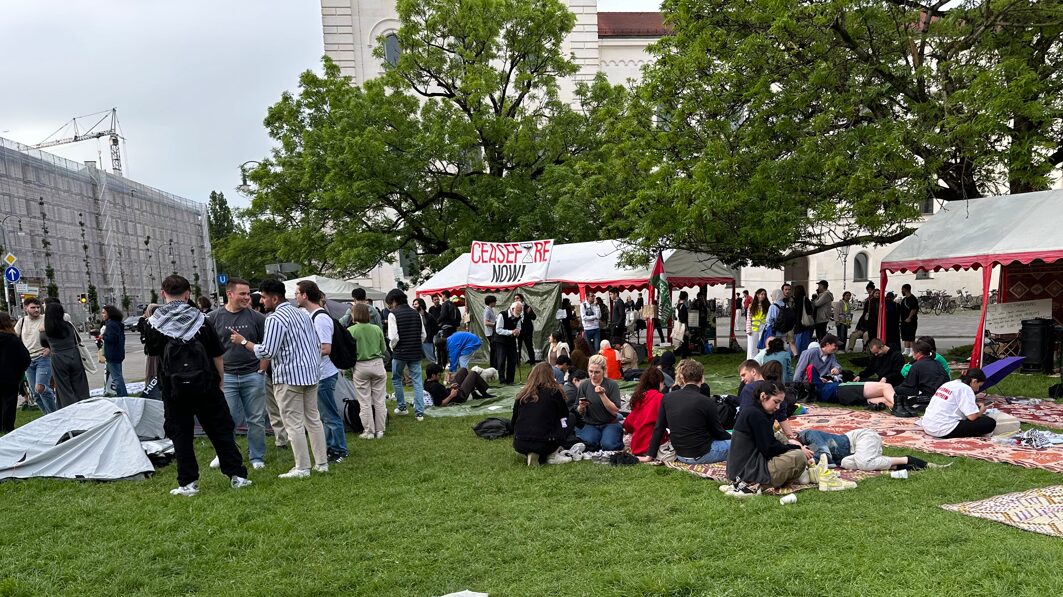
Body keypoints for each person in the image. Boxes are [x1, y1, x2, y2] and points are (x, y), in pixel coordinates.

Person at [145, 275, 250, 496]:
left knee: (181, 435)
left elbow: (153, 353)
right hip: (206, 385)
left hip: (174, 389)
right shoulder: (202, 320)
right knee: (220, 430)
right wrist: (220, 380)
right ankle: (237, 475)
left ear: (163, 293)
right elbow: (216, 354)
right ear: (187, 294)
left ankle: (188, 483)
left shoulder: (155, 323)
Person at [230, 279, 328, 478]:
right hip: (310, 374)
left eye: (264, 297)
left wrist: (244, 342)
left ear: (274, 298)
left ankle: (302, 467)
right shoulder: (302, 314)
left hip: (289, 377)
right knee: (313, 420)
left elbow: (267, 351)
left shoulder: (275, 319)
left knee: (293, 423)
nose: (262, 301)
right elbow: (314, 343)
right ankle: (321, 462)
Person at [208, 278, 269, 469]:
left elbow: (267, 347)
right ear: (229, 294)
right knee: (227, 420)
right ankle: (225, 454)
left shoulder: (257, 318)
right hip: (227, 377)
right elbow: (209, 350)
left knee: (256, 419)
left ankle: (257, 456)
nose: (247, 297)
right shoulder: (213, 318)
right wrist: (218, 376)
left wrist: (261, 370)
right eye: (242, 293)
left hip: (253, 375)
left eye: (248, 293)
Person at [725, 382, 816, 495]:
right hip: (747, 472)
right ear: (763, 396)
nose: (777, 407)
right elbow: (769, 449)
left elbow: (769, 441)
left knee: (780, 437)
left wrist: (790, 445)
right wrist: (795, 447)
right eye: (776, 402)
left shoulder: (755, 411)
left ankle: (796, 471)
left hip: (743, 467)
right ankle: (755, 485)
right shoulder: (756, 414)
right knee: (799, 457)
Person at [295, 280, 348, 463]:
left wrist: (305, 354)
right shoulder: (312, 316)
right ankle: (330, 447)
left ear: (305, 295)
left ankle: (339, 450)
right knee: (323, 414)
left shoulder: (321, 318)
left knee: (329, 414)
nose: (295, 296)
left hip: (324, 372)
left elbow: (326, 348)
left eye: (297, 293)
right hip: (319, 372)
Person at [642, 360, 731, 464]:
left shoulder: (667, 398)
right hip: (702, 453)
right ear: (702, 378)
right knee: (744, 442)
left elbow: (659, 428)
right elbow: (718, 432)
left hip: (680, 454)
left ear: (682, 378)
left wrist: (649, 455)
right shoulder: (707, 402)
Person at [511, 362, 571, 466]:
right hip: (546, 441)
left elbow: (514, 420)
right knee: (569, 419)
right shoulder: (554, 392)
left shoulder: (522, 394)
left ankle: (531, 452)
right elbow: (564, 415)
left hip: (520, 442)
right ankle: (552, 454)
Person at [385, 289, 428, 420]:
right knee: (417, 381)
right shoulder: (417, 314)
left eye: (389, 303)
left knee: (397, 379)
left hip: (400, 353)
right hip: (415, 352)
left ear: (393, 301)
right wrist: (415, 343)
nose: (389, 306)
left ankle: (402, 407)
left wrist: (392, 348)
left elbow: (394, 337)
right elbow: (423, 335)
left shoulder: (392, 315)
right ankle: (420, 412)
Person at [797, 428, 927, 471]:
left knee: (864, 464)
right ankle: (900, 467)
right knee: (845, 463)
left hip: (861, 438)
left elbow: (825, 456)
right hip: (851, 455)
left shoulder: (808, 434)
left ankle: (906, 459)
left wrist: (810, 461)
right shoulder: (809, 448)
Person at [348, 303, 388, 439]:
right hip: (377, 364)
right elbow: (383, 349)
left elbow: (349, 353)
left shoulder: (351, 330)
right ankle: (380, 430)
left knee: (364, 401)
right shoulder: (376, 329)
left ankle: (369, 431)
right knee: (380, 400)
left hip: (360, 366)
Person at [41, 299, 90, 409]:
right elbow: (76, 338)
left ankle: (70, 409)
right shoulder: (69, 325)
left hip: (58, 358)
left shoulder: (45, 330)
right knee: (80, 384)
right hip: (74, 355)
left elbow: (43, 343)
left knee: (64, 387)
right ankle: (85, 407)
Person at [922, 368, 996, 438]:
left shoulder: (949, 384)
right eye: (979, 386)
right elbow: (972, 417)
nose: (977, 389)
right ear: (974, 381)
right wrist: (981, 411)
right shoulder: (966, 389)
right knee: (989, 423)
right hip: (944, 429)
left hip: (928, 425)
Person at [16, 297, 57, 414]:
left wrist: (49, 348)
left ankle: (55, 415)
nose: (36, 310)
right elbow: (14, 337)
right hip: (28, 361)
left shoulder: (45, 319)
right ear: (25, 308)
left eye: (38, 307)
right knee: (35, 393)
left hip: (43, 358)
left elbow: (55, 335)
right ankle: (48, 417)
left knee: (41, 388)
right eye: (33, 307)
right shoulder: (22, 321)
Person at [574, 355, 623, 451]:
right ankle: (598, 439)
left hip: (610, 422)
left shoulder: (611, 384)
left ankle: (611, 438)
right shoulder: (584, 385)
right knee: (589, 445)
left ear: (604, 371)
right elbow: (578, 411)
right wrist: (581, 407)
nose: (593, 375)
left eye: (597, 372)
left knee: (608, 446)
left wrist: (602, 395)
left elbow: (615, 410)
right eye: (590, 371)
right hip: (591, 424)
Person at [737, 360, 796, 439]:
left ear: (753, 371)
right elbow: (782, 418)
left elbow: (743, 418)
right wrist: (792, 439)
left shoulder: (748, 389)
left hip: (752, 437)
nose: (742, 379)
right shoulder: (776, 388)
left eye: (744, 375)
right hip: (763, 436)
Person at [893, 339, 951, 416]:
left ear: (919, 353)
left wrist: (896, 389)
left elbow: (909, 385)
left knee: (897, 390)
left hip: (928, 393)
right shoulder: (937, 362)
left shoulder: (917, 365)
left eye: (913, 351)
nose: (912, 353)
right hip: (941, 392)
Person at [624, 367, 667, 457]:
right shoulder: (660, 398)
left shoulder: (639, 397)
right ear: (659, 382)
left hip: (637, 445)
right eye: (663, 383)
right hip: (653, 446)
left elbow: (628, 423)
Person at [0, 312, 31, 433]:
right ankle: (8, 427)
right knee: (9, 402)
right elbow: (25, 358)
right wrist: (18, 372)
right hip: (10, 376)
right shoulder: (13, 340)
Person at [424, 363, 491, 407]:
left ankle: (474, 394)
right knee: (473, 374)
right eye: (439, 375)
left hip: (452, 391)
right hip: (459, 397)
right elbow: (439, 404)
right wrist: (451, 395)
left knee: (463, 370)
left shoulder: (427, 382)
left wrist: (449, 387)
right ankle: (484, 393)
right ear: (433, 375)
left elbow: (441, 392)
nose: (440, 376)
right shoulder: (434, 387)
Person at [100, 305, 127, 396]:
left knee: (117, 378)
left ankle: (122, 395)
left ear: (109, 313)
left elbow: (112, 338)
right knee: (117, 376)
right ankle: (119, 394)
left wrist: (103, 336)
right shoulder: (117, 323)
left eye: (104, 313)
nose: (102, 315)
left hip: (112, 354)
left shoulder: (111, 324)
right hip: (118, 353)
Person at [494, 301, 523, 385]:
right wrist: (511, 332)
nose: (519, 312)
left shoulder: (518, 316)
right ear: (513, 309)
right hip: (500, 340)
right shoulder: (502, 315)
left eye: (520, 311)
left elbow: (518, 327)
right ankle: (502, 380)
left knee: (513, 360)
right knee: (501, 360)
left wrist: (518, 331)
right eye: (518, 310)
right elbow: (498, 329)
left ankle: (510, 380)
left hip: (511, 340)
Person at [413, 298, 439, 364]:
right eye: (413, 304)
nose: (414, 306)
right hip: (416, 340)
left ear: (421, 305)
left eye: (416, 304)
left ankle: (435, 369)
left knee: (431, 358)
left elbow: (436, 327)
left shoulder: (429, 316)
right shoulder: (414, 315)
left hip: (427, 340)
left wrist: (431, 335)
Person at [513, 293, 537, 365]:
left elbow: (534, 317)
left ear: (521, 299)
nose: (516, 300)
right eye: (515, 299)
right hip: (518, 330)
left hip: (527, 330)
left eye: (517, 298)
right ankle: (517, 363)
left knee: (529, 346)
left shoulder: (527, 307)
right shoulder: (513, 307)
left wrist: (530, 313)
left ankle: (532, 362)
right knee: (517, 347)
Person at [745, 288, 769, 359]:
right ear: (757, 295)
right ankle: (751, 363)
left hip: (763, 328)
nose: (763, 296)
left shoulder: (767, 305)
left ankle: (762, 362)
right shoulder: (751, 306)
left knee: (763, 347)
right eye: (762, 294)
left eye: (764, 294)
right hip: (753, 329)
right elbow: (748, 318)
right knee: (752, 348)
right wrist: (748, 329)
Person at [792, 284, 815, 354]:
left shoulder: (794, 300)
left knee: (796, 339)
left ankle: (795, 353)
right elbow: (810, 311)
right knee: (804, 340)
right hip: (804, 323)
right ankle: (803, 353)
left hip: (796, 323)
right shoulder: (805, 299)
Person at [899, 284, 919, 357]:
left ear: (905, 289)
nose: (902, 291)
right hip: (904, 321)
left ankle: (912, 351)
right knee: (905, 336)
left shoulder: (913, 299)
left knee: (911, 336)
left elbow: (914, 309)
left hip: (911, 321)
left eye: (902, 289)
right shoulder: (904, 299)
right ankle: (906, 350)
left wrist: (909, 317)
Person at [482, 295, 498, 369]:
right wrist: (495, 324)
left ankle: (494, 365)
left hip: (492, 332)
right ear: (491, 302)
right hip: (490, 333)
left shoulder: (490, 309)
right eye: (494, 302)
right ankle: (493, 365)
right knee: (494, 349)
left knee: (494, 349)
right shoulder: (487, 310)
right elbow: (486, 322)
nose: (495, 303)